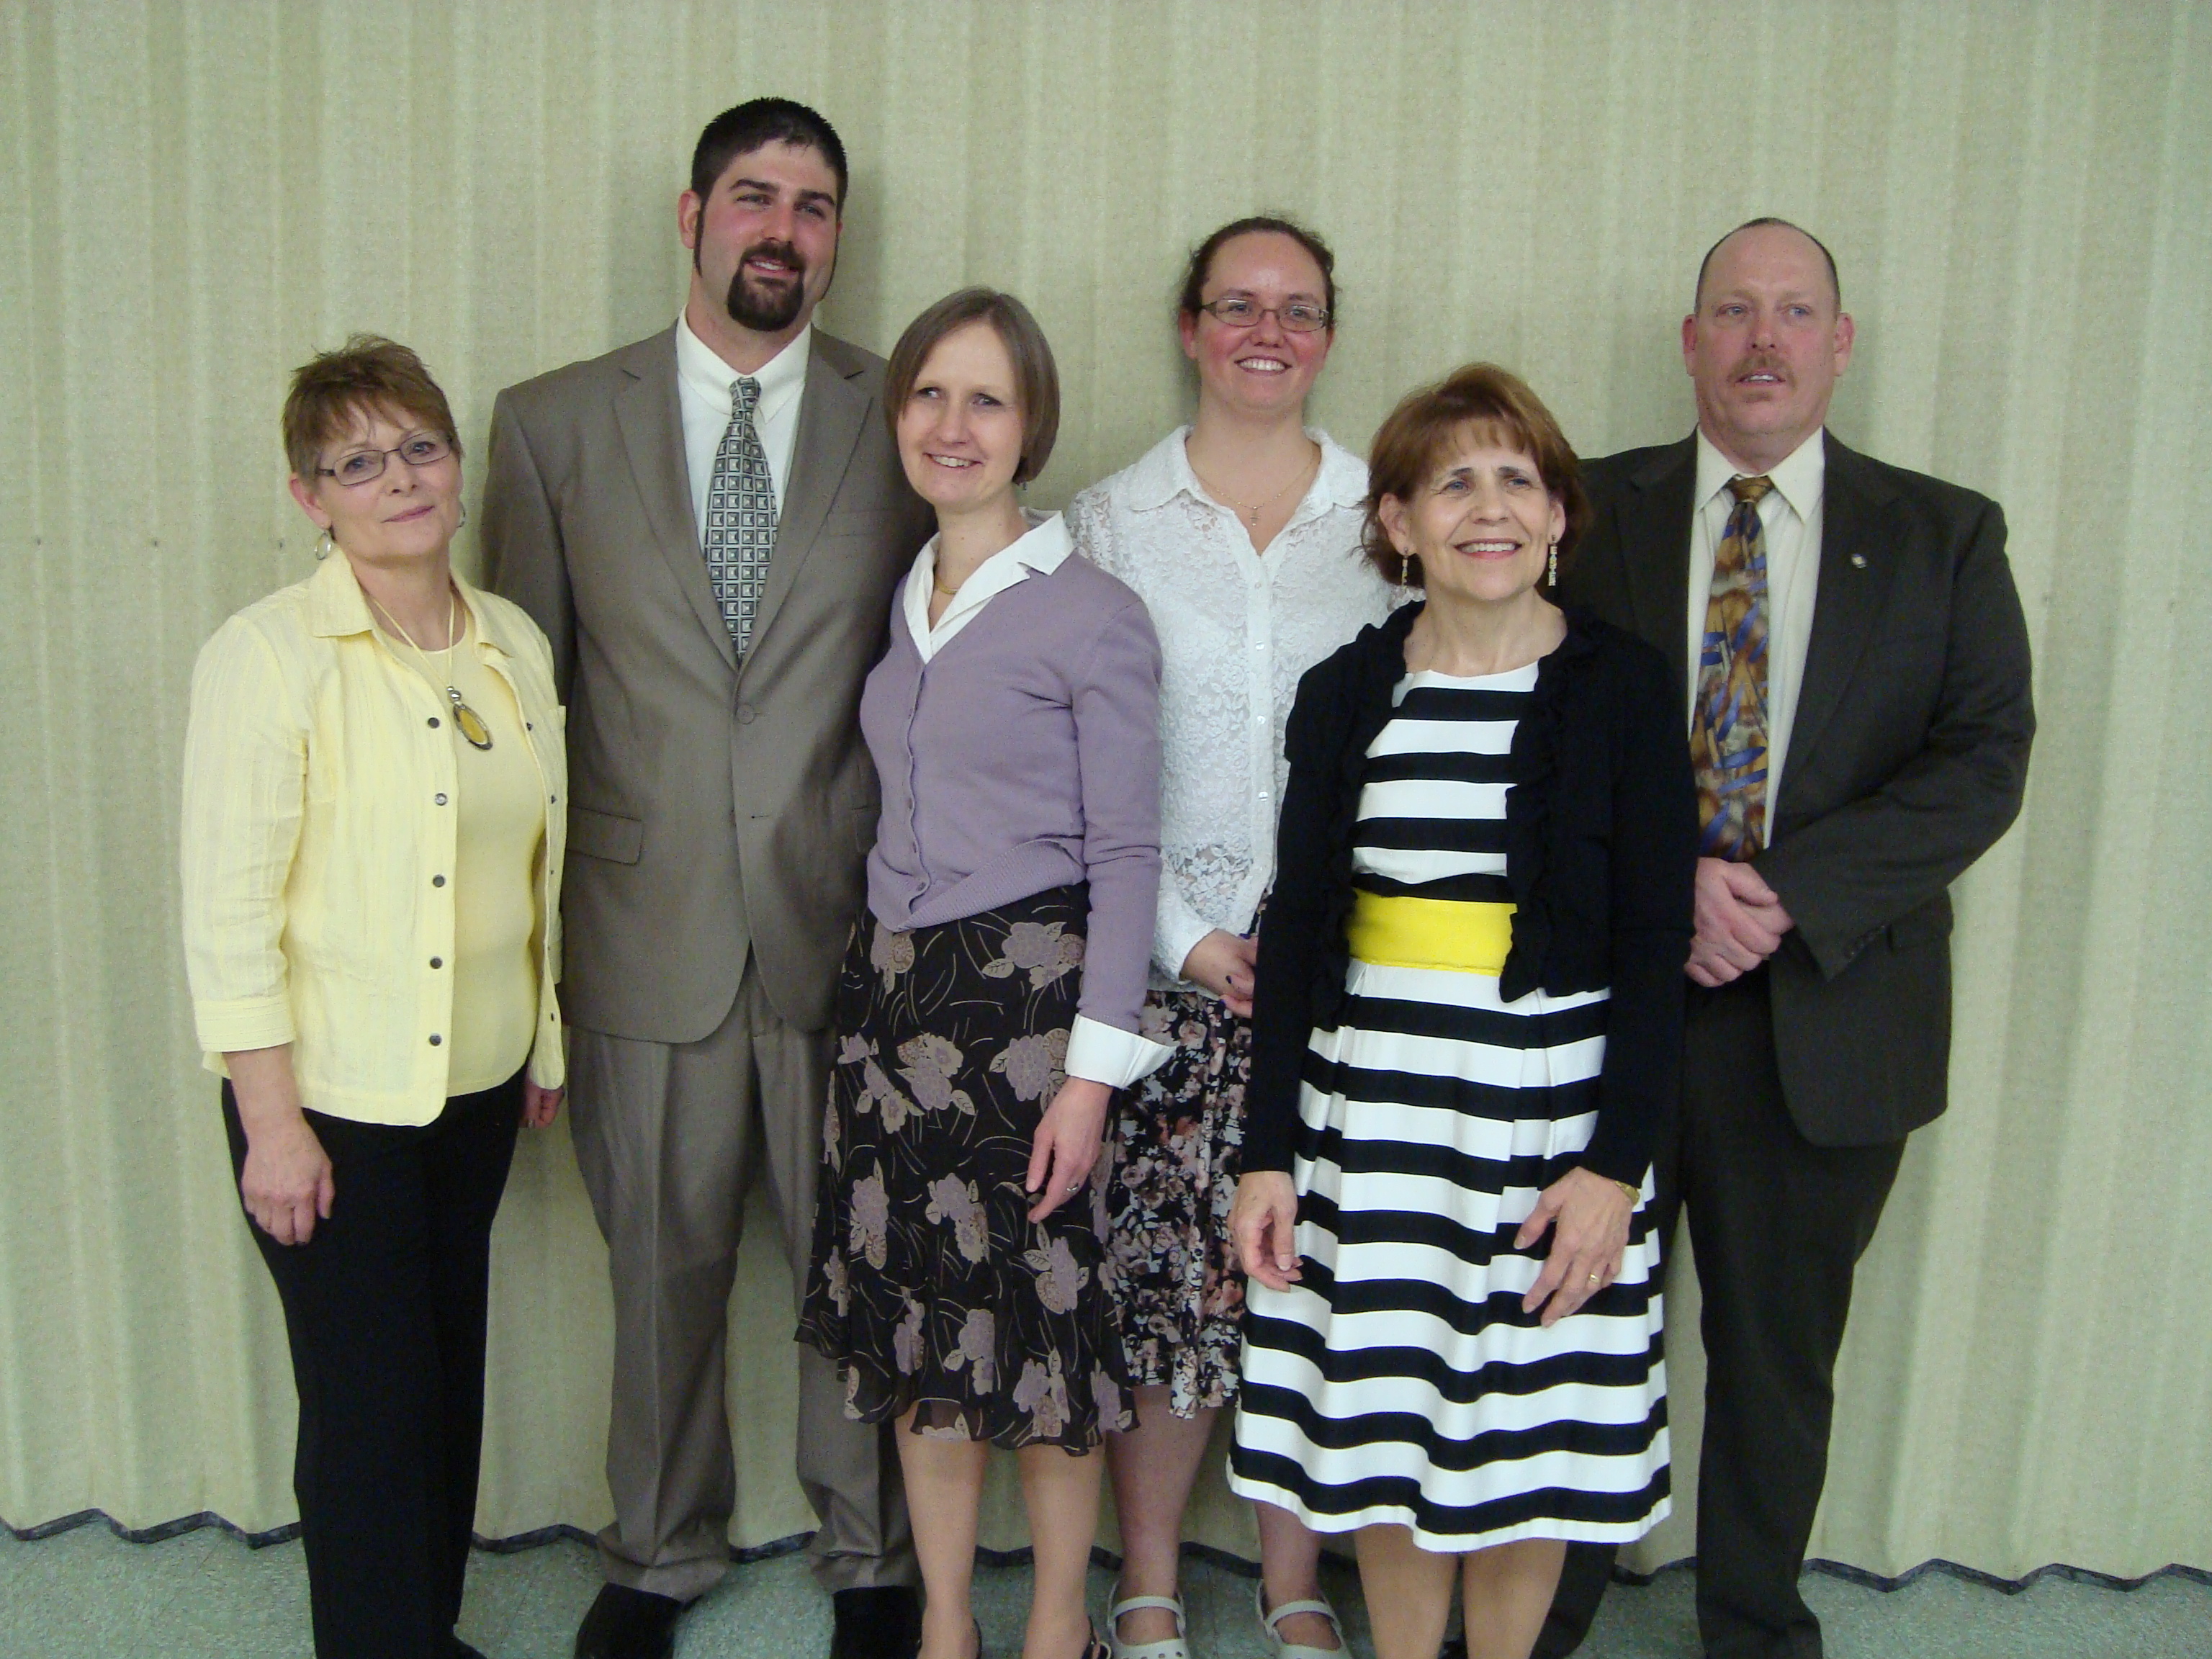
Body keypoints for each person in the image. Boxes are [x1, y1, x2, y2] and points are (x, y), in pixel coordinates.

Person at [1537, 219, 2035, 1659]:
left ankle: (1753, 1626)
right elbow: (1532, 731)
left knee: (1777, 1359)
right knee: (1569, 1334)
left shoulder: (1945, 533)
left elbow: (1984, 757)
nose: (1765, 339)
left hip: (1828, 1014)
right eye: (1736, 311)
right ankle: (1534, 1624)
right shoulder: (1587, 512)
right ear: (1691, 340)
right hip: (1606, 1013)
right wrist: (1668, 881)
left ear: (1841, 342)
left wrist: (1785, 890)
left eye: (1796, 311)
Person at [480, 99, 934, 1659]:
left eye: (814, 206)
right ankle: (659, 1550)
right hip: (637, 927)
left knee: (849, 1262)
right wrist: (530, 980)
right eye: (754, 196)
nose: (782, 231)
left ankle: (869, 1558)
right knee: (660, 1273)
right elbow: (525, 714)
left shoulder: (905, 415)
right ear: (690, 216)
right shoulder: (550, 424)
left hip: (846, 923)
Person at [1226, 363, 1697, 1659]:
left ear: (1557, 515)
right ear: (1399, 522)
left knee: (1526, 1450)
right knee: (1388, 1439)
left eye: (1518, 480)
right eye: (1453, 484)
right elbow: (1299, 933)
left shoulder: (1625, 687)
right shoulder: (1345, 693)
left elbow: (1655, 946)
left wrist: (1614, 1172)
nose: (1490, 508)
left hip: (1546, 1132)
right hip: (1375, 1122)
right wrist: (1267, 1154)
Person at [182, 335, 568, 1659]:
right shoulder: (269, 655)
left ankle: (424, 1633)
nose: (398, 479)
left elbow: (537, 863)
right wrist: (272, 1126)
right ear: (311, 496)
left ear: (456, 465)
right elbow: (228, 914)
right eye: (356, 463)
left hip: (476, 1085)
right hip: (331, 1104)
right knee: (369, 1415)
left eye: (418, 448)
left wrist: (542, 1040)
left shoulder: (509, 639)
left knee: (446, 1385)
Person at [797, 287, 1167, 1659]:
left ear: (1032, 425)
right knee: (918, 1341)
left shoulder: (1094, 612)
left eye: (987, 400)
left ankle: (1059, 1627)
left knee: (1042, 1340)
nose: (953, 426)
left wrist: (1091, 1079)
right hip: (891, 1014)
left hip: (1026, 1022)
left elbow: (1128, 853)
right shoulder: (902, 594)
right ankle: (947, 1627)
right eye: (930, 395)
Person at [1066, 215, 1390, 1659]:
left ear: (1329, 336)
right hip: (1168, 972)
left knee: (1314, 1282)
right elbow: (1078, 771)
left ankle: (1293, 1575)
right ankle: (1146, 1577)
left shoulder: (1395, 515)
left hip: (1350, 977)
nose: (1268, 331)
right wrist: (1188, 939)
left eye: (1298, 309)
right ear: (1190, 327)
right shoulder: (1108, 522)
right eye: (1238, 305)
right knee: (1169, 1284)